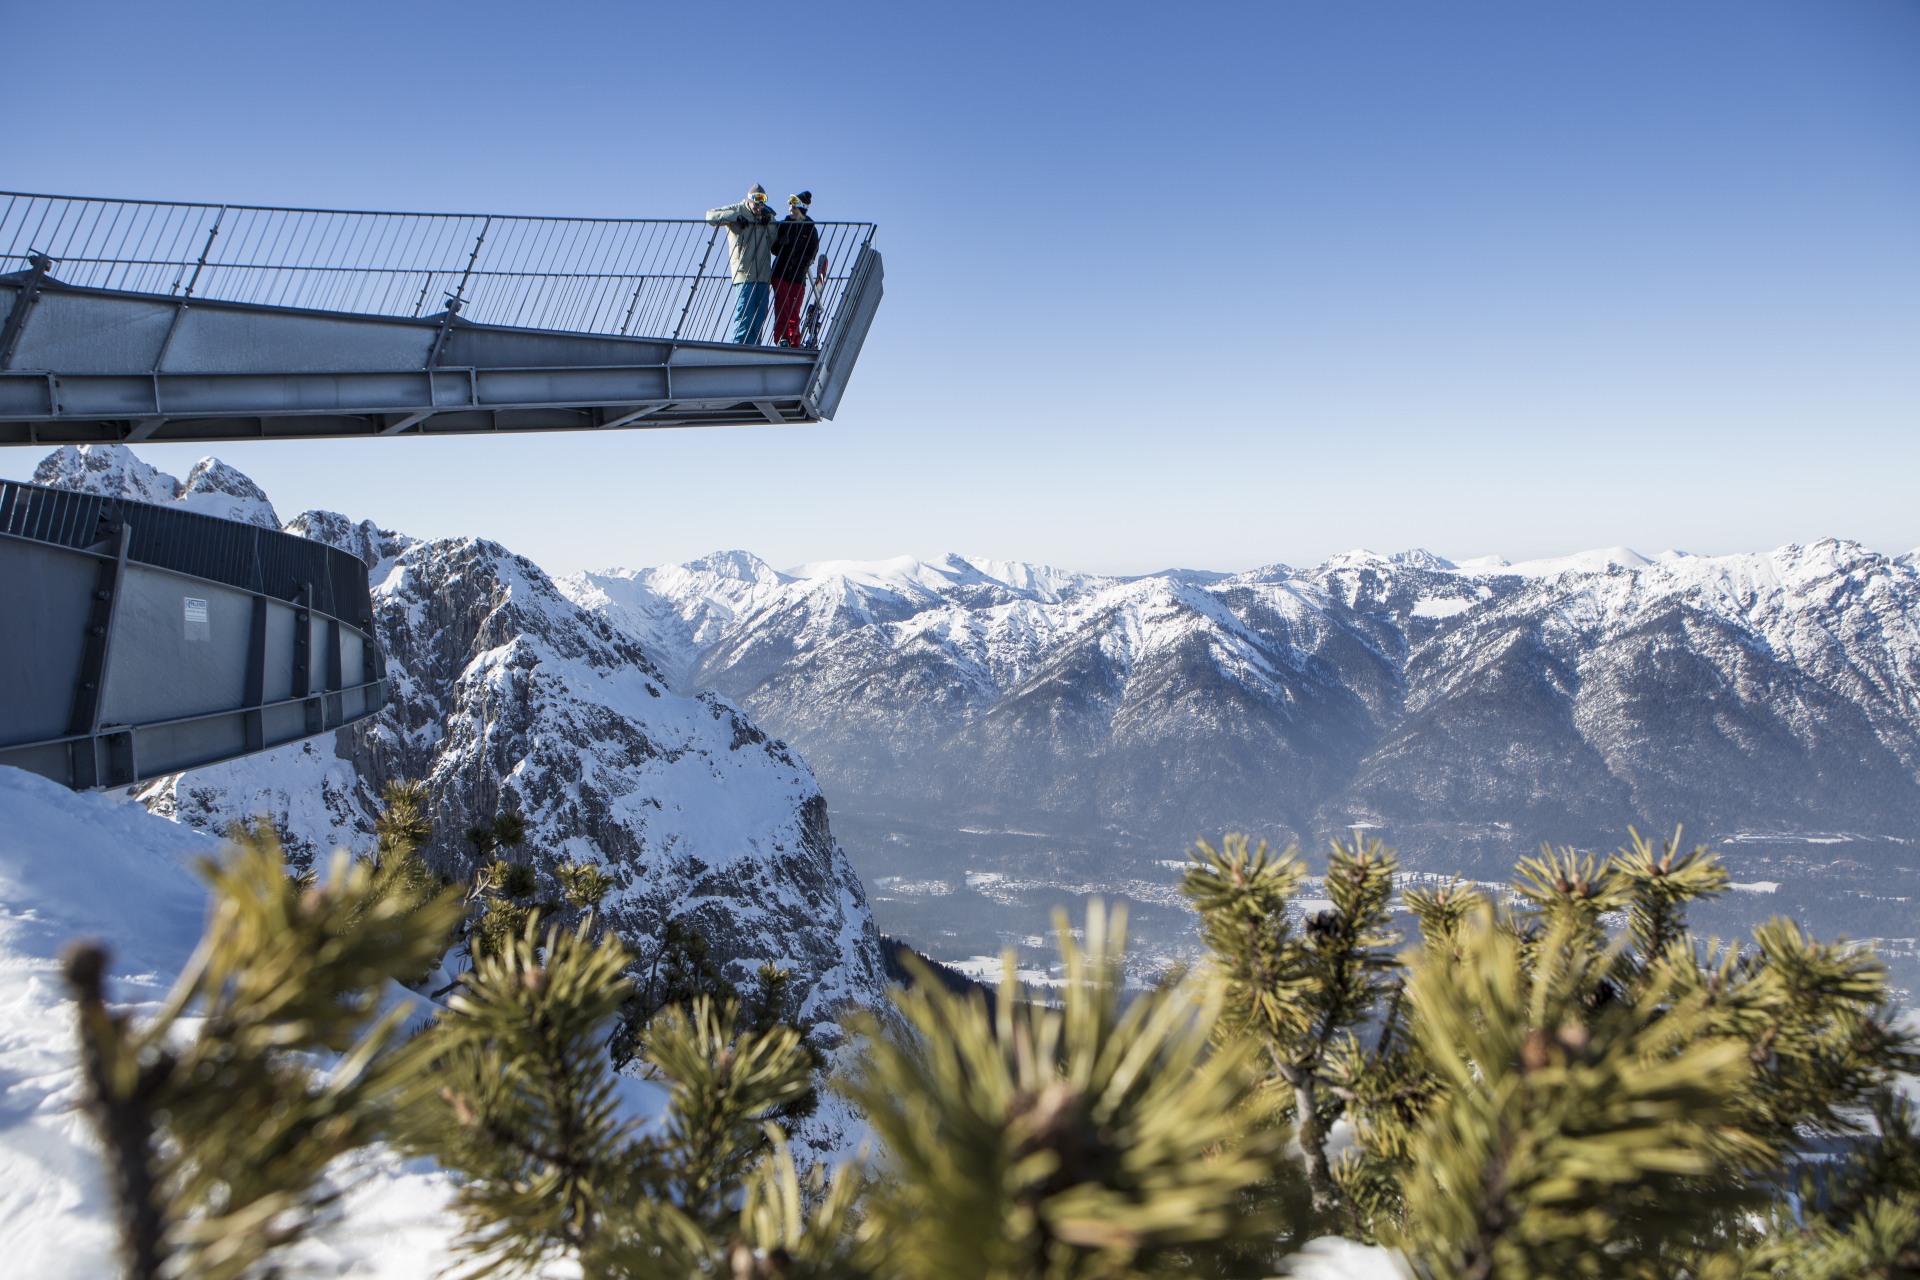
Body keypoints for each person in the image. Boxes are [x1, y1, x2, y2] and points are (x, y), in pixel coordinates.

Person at [705, 185, 779, 344]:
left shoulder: (768, 215)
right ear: (749, 199)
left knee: (759, 318)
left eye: (763, 201)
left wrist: (770, 223)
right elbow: (710, 216)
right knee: (744, 317)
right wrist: (735, 217)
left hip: (763, 275)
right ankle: (737, 350)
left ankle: (754, 350)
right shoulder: (738, 209)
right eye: (756, 200)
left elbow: (776, 242)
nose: (759, 205)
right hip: (744, 274)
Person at [770, 192, 820, 348]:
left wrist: (804, 263)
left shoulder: (810, 229)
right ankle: (782, 339)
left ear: (801, 208)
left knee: (794, 309)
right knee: (781, 307)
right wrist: (780, 243)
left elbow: (813, 250)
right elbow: (774, 248)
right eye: (790, 204)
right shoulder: (784, 225)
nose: (790, 208)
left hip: (798, 275)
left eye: (794, 205)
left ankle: (794, 340)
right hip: (781, 272)